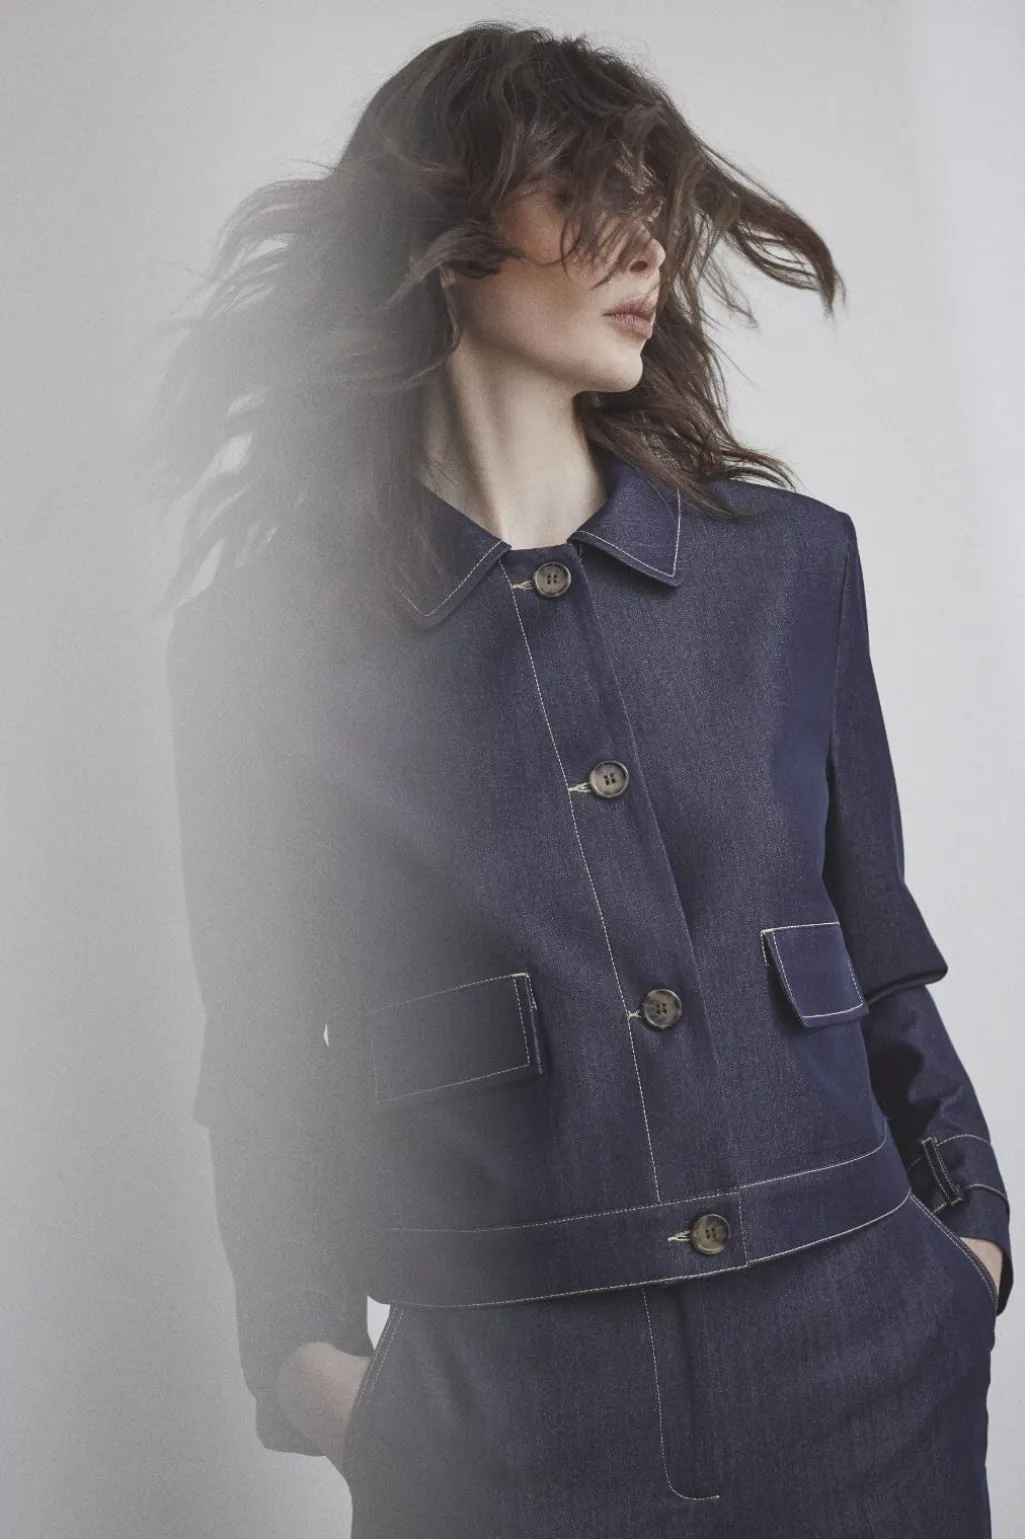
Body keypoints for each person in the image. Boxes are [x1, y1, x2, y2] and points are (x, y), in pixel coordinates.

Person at [149, 21, 1012, 1538]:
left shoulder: (788, 570)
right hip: (508, 1434)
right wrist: (311, 1366)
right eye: (592, 194)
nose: (650, 246)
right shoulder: (267, 647)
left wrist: (973, 1245)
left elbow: (878, 949)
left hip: (868, 1365)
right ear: (444, 235)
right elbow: (270, 1055)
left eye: (659, 205)